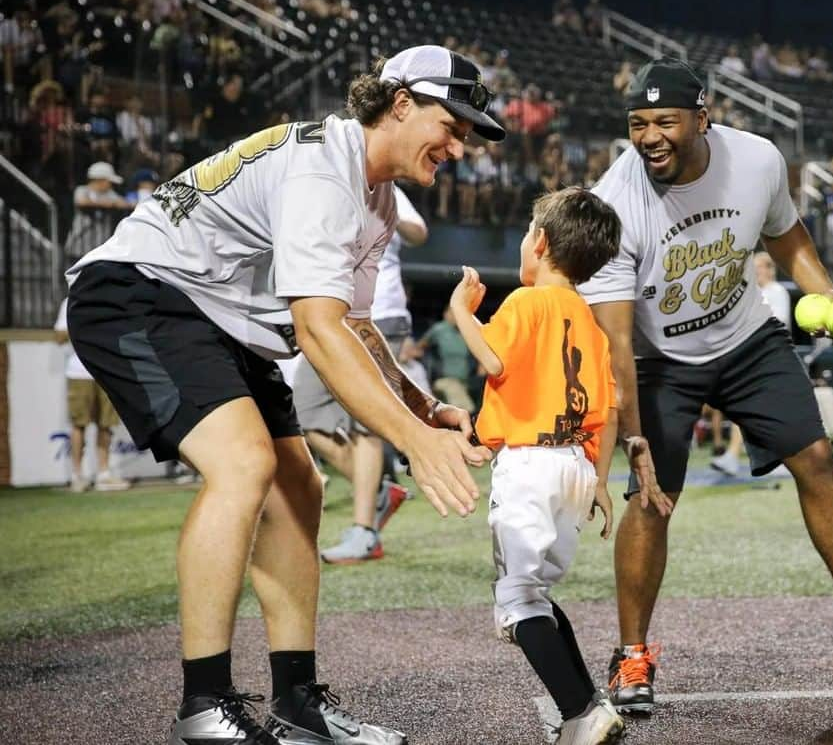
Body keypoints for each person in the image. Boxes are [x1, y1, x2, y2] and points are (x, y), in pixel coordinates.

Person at [65, 44, 504, 745]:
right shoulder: (323, 169)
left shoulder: (376, 198)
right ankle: (204, 705)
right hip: (139, 292)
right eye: (451, 125)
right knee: (246, 466)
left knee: (297, 484)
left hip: (212, 313)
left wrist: (425, 408)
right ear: (399, 105)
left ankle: (297, 703)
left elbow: (354, 326)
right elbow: (316, 328)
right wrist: (414, 442)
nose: (460, 146)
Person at [579, 59, 833, 715]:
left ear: (703, 118)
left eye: (665, 121)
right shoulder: (614, 204)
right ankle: (631, 658)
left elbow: (786, 233)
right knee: (652, 500)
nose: (649, 136)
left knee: (818, 458)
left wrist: (825, 291)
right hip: (658, 361)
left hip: (745, 338)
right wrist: (633, 436)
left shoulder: (759, 160)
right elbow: (617, 339)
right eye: (638, 124)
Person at [449, 187, 646, 744]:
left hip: (531, 466)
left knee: (517, 604)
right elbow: (608, 412)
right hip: (576, 470)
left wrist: (462, 311)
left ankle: (582, 713)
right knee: (536, 596)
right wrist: (602, 482)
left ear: (539, 242)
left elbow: (491, 358)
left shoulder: (523, 301)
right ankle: (586, 704)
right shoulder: (590, 319)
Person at [297, 185, 428, 564]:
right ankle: (378, 493)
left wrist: (387, 213)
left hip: (380, 312)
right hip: (330, 315)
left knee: (366, 422)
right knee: (303, 413)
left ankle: (364, 533)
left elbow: (419, 233)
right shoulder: (321, 184)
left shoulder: (384, 187)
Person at [709, 251, 791, 476]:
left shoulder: (777, 291)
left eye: (758, 267)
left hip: (772, 357)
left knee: (775, 413)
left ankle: (780, 460)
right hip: (753, 358)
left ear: (768, 268)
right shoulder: (753, 293)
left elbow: (779, 321)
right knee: (745, 409)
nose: (754, 271)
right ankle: (733, 457)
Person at [54, 298, 131, 492]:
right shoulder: (71, 302)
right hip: (79, 372)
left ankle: (103, 475)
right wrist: (87, 324)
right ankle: (77, 476)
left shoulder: (107, 298)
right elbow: (59, 336)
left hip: (106, 370)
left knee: (106, 423)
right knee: (78, 423)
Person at [417, 304, 477, 413]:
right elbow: (419, 347)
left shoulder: (465, 330)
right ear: (446, 314)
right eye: (452, 313)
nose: (455, 316)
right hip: (445, 379)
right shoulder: (439, 330)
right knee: (466, 409)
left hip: (465, 382)